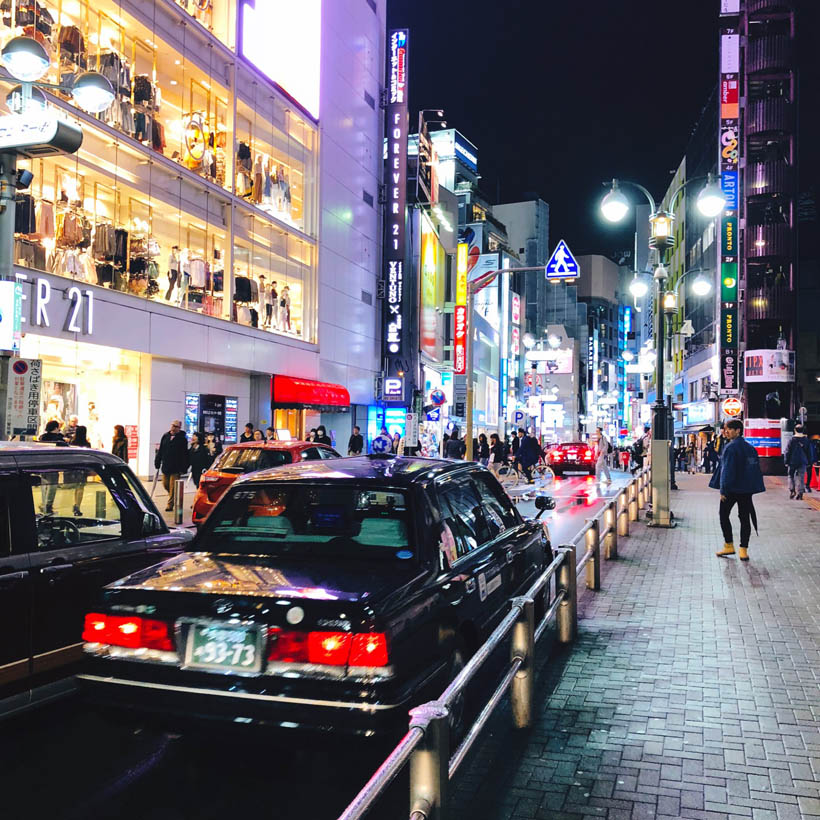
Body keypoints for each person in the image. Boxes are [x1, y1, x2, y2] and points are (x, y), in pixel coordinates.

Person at [710, 419, 765, 561]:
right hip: (746, 490)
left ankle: (729, 545)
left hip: (731, 489)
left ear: (738, 431)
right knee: (745, 518)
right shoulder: (750, 448)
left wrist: (723, 490)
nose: (725, 432)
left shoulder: (730, 448)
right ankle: (743, 550)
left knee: (723, 515)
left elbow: (726, 471)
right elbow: (755, 469)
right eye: (725, 429)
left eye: (728, 429)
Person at [154, 420, 189, 512]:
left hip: (176, 467)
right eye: (172, 425)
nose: (173, 428)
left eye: (176, 426)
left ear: (179, 428)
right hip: (166, 465)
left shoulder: (182, 439)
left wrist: (184, 467)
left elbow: (184, 454)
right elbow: (161, 450)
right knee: (165, 484)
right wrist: (157, 461)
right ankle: (174, 496)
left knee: (173, 486)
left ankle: (170, 504)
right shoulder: (165, 436)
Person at [784, 424, 811, 500]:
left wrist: (786, 461)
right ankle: (800, 493)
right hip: (802, 461)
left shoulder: (791, 440)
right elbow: (809, 452)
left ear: (795, 430)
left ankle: (792, 490)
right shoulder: (806, 440)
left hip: (792, 461)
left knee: (790, 475)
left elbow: (787, 451)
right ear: (803, 430)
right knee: (801, 477)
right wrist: (809, 462)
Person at [70, 426, 91, 516]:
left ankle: (76, 504)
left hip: (74, 467)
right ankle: (77, 506)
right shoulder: (86, 444)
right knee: (80, 488)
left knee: (76, 487)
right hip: (83, 468)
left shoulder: (72, 443)